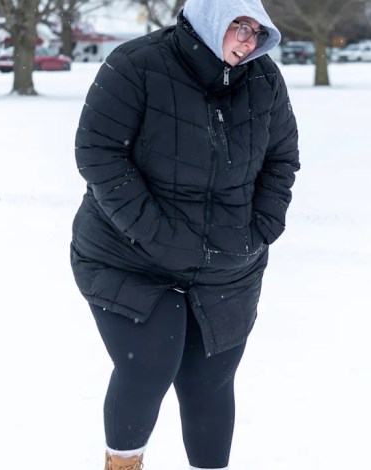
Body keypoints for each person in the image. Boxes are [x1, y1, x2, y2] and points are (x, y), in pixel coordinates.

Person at [70, 0, 300, 468]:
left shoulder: (265, 80)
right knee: (149, 363)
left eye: (257, 32)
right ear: (210, 20)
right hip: (128, 256)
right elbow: (98, 154)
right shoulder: (137, 65)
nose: (249, 41)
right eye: (239, 26)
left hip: (229, 262)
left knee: (209, 382)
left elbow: (282, 159)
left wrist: (260, 228)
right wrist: (158, 234)